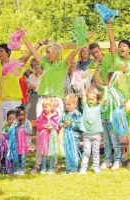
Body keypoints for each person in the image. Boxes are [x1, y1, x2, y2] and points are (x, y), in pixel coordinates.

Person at [22, 38, 81, 173]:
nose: (46, 54)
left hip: (56, 101)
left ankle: (52, 163)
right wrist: (25, 37)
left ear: (56, 53)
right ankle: (38, 163)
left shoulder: (63, 64)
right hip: (42, 100)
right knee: (40, 131)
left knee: (54, 131)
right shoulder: (45, 63)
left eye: (48, 52)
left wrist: (81, 42)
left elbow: (72, 55)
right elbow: (32, 50)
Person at [0, 35, 48, 130]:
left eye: (1, 51)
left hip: (13, 101)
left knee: (14, 128)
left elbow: (29, 54)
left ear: (8, 52)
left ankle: (14, 145)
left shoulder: (16, 64)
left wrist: (39, 44)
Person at [106, 16, 130, 98]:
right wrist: (108, 24)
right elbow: (112, 41)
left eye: (124, 46)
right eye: (120, 46)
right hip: (118, 93)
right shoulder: (116, 58)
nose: (121, 48)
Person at [100, 72, 123, 171]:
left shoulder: (116, 92)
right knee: (106, 143)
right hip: (105, 120)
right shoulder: (106, 91)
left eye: (107, 79)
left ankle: (117, 160)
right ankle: (107, 160)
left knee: (115, 142)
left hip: (113, 121)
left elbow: (120, 104)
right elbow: (103, 105)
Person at [79, 87, 105, 174]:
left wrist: (106, 89)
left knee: (96, 151)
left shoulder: (98, 108)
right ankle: (83, 168)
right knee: (86, 151)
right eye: (89, 99)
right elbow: (83, 96)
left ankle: (96, 167)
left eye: (93, 99)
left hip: (97, 134)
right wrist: (82, 88)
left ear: (97, 100)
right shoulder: (85, 107)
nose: (90, 101)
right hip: (87, 134)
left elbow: (104, 100)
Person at [35, 98, 60, 174]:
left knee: (51, 152)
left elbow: (58, 126)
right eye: (43, 107)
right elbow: (37, 125)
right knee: (44, 152)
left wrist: (53, 126)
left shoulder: (55, 116)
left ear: (52, 107)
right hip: (44, 138)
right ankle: (43, 168)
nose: (44, 108)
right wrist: (43, 126)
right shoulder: (41, 116)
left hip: (52, 138)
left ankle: (51, 168)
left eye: (46, 107)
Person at [60, 94, 82, 174]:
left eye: (69, 104)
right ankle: (68, 168)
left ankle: (74, 167)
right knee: (68, 152)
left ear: (75, 104)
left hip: (74, 137)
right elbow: (60, 123)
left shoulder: (78, 114)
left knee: (73, 152)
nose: (67, 106)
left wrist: (71, 124)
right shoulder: (64, 114)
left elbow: (80, 126)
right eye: (65, 104)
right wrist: (63, 124)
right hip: (66, 137)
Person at [10, 106, 32, 175]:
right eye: (20, 115)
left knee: (22, 157)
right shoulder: (15, 122)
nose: (22, 117)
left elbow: (29, 131)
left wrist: (23, 129)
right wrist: (17, 126)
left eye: (23, 115)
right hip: (17, 144)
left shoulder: (27, 122)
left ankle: (22, 169)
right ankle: (16, 169)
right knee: (16, 157)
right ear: (17, 116)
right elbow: (11, 129)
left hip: (24, 144)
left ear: (26, 115)